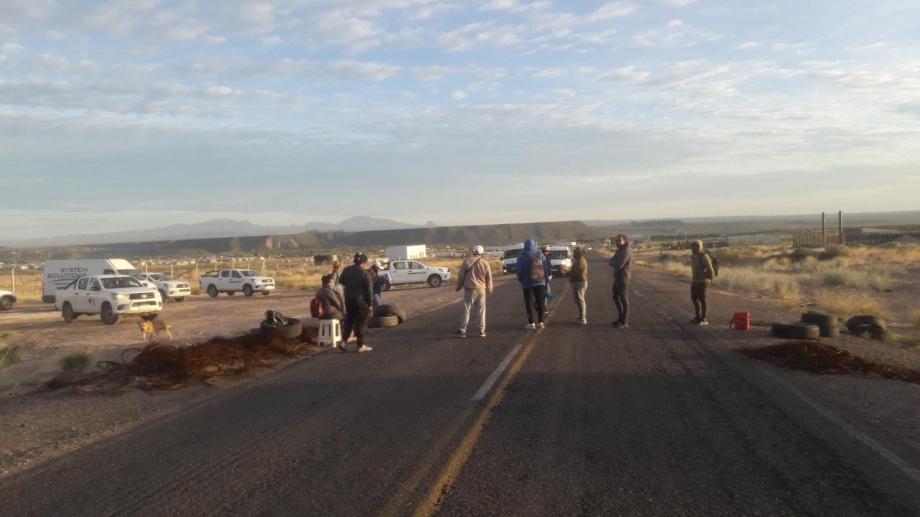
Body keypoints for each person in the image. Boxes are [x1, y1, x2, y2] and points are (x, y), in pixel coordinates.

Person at [338, 252, 374, 352]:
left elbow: (341, 281)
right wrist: (370, 304)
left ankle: (343, 342)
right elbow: (369, 290)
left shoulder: (347, 270)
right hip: (360, 300)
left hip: (348, 299)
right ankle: (360, 345)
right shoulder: (366, 273)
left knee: (349, 320)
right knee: (361, 322)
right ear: (364, 263)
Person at [455, 245, 493, 338]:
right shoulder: (485, 263)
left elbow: (461, 276)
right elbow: (489, 278)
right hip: (481, 290)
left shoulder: (466, 261)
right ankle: (481, 331)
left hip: (469, 290)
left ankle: (463, 330)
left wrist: (458, 287)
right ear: (482, 253)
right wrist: (489, 289)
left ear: (473, 251)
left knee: (466, 309)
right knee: (481, 311)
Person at [516, 239, 550, 330]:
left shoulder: (521, 256)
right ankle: (541, 322)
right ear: (534, 245)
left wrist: (520, 279)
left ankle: (531, 323)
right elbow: (545, 268)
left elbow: (519, 271)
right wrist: (545, 281)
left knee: (529, 303)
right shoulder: (540, 254)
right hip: (540, 282)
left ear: (525, 246)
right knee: (540, 301)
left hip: (527, 284)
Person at [690, 240, 715, 326]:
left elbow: (710, 270)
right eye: (693, 246)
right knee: (694, 298)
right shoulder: (693, 256)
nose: (695, 248)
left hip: (702, 281)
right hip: (695, 280)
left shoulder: (704, 256)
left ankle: (704, 319)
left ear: (701, 247)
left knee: (702, 299)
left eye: (697, 246)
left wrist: (710, 279)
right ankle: (697, 317)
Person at [609, 234, 632, 328]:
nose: (617, 242)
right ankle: (620, 318)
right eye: (616, 241)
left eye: (619, 241)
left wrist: (615, 263)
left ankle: (624, 322)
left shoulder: (626, 251)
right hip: (617, 277)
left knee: (623, 299)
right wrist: (615, 263)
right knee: (615, 297)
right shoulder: (619, 250)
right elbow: (611, 261)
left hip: (623, 278)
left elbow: (619, 265)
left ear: (625, 241)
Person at [569, 246, 588, 325]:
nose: (573, 253)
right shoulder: (578, 260)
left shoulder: (580, 261)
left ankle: (583, 319)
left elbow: (576, 272)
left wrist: (567, 272)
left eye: (575, 252)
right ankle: (581, 317)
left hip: (580, 282)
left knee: (580, 300)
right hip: (578, 281)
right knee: (578, 300)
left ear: (578, 253)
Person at [541, 246, 554, 312]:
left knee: (546, 291)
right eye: (547, 251)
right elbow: (546, 269)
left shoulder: (546, 257)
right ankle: (545, 306)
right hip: (544, 277)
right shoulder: (544, 258)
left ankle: (545, 305)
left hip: (545, 277)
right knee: (546, 291)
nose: (547, 252)